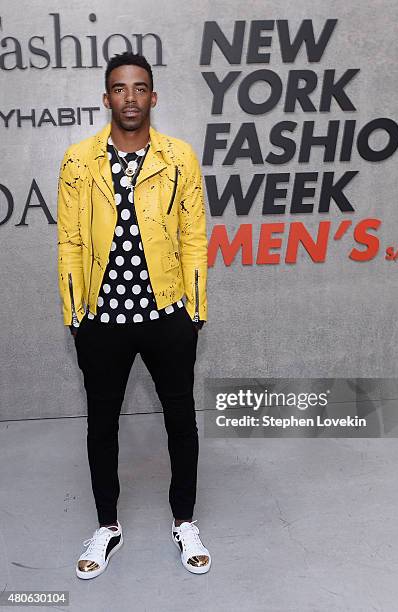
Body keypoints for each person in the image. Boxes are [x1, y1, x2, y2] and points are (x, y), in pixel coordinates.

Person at [57, 51, 211, 578]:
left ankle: (184, 520)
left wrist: (195, 311)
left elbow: (194, 238)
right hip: (101, 318)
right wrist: (77, 314)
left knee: (180, 418)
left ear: (153, 96)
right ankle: (107, 527)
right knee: (101, 423)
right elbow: (71, 241)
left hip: (168, 312)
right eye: (119, 89)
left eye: (139, 88)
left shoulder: (180, 157)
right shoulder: (79, 160)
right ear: (106, 98)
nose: (130, 97)